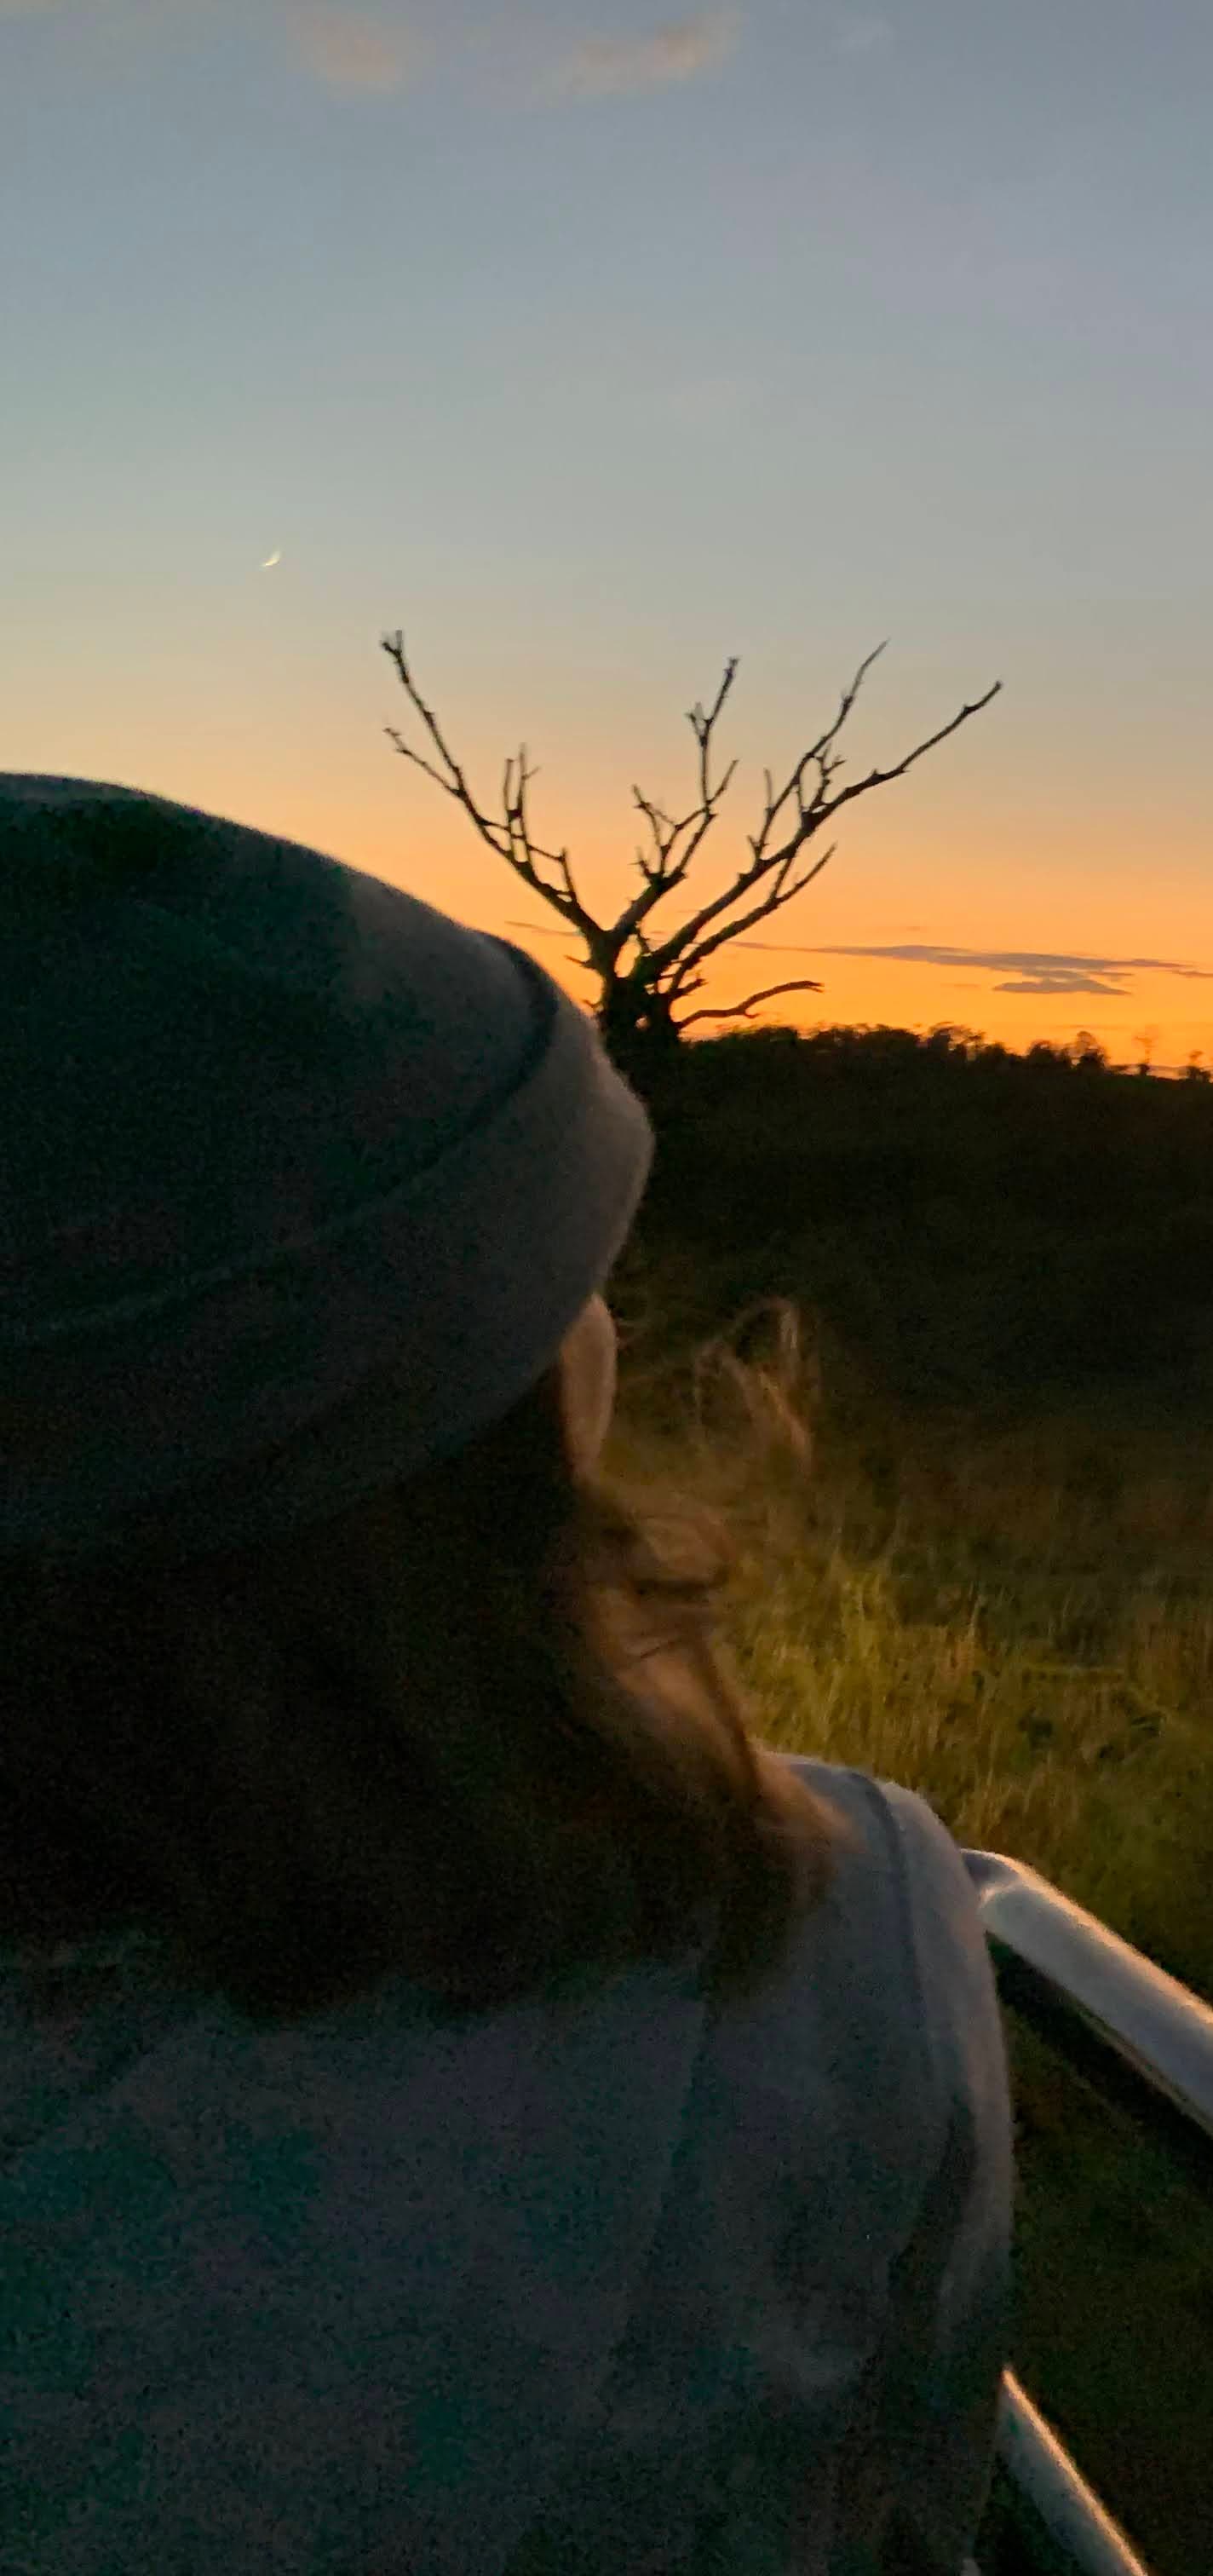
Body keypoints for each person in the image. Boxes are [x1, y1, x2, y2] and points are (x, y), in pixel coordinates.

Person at [0, 775, 1015, 2572]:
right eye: (560, 1277)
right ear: (468, 1431)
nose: (602, 1320)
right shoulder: (823, 1953)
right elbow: (911, 2494)